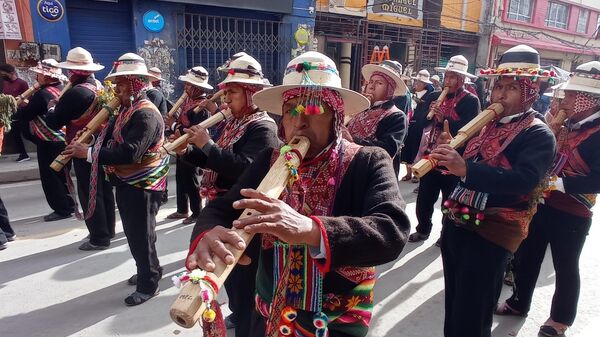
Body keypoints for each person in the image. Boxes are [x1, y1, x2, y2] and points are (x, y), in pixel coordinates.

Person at [185, 51, 410, 337]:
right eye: (291, 110)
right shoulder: (269, 159)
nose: (299, 122)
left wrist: (311, 229)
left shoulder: (368, 160)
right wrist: (206, 233)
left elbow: (391, 231)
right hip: (268, 310)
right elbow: (223, 208)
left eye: (314, 110)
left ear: (337, 118)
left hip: (336, 320)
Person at [430, 45, 556, 337]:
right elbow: (474, 162)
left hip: (492, 231)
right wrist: (456, 147)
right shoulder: (486, 124)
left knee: (475, 308)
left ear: (529, 91)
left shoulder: (538, 133)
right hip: (458, 221)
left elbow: (523, 180)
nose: (499, 94)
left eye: (511, 88)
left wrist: (466, 169)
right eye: (498, 86)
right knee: (456, 301)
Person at [496, 61, 600, 337]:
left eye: (569, 95)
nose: (563, 98)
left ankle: (560, 320)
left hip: (574, 210)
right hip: (541, 203)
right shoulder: (565, 123)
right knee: (526, 256)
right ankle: (519, 302)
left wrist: (561, 183)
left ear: (586, 100)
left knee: (565, 265)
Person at [181, 52, 279, 334]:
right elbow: (217, 160)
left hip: (241, 212)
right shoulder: (235, 122)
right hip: (222, 206)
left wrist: (208, 146)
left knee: (246, 274)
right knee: (231, 275)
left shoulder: (263, 127)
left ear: (250, 94)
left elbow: (244, 170)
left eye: (233, 93)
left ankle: (249, 318)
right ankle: (238, 311)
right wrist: (190, 151)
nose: (226, 100)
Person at [64, 53, 169, 305]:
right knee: (138, 235)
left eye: (121, 84)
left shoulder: (145, 114)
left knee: (141, 235)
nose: (116, 90)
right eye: (116, 84)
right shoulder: (125, 109)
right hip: (127, 182)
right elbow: (110, 138)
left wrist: (87, 152)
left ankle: (148, 284)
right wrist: (89, 139)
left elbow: (130, 153)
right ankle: (150, 269)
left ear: (135, 84)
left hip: (142, 184)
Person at [45, 47, 117, 242]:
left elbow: (53, 122)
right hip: (101, 144)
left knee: (89, 191)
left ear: (72, 72)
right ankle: (108, 230)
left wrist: (52, 108)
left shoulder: (76, 93)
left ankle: (99, 237)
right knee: (104, 190)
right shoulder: (100, 86)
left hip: (81, 146)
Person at [408, 55, 480, 244]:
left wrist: (445, 119)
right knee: (424, 199)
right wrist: (430, 115)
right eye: (447, 76)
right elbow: (419, 121)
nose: (448, 81)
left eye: (453, 77)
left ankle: (445, 234)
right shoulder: (433, 96)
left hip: (453, 159)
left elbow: (471, 130)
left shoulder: (471, 101)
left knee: (449, 201)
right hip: (431, 156)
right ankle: (423, 229)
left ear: (462, 79)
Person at [11, 60, 75, 219]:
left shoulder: (41, 94)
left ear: (46, 77)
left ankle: (62, 210)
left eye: (39, 74)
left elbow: (26, 115)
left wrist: (17, 105)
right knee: (63, 175)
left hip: (49, 141)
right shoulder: (62, 89)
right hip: (65, 139)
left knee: (50, 177)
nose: (36, 76)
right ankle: (70, 205)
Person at [165, 66, 213, 224]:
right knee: (180, 178)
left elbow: (193, 131)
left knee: (191, 179)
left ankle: (197, 211)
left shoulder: (202, 109)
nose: (186, 87)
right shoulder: (188, 101)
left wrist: (173, 126)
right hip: (180, 146)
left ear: (198, 88)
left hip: (192, 149)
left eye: (189, 85)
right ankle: (182, 209)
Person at [346, 60, 408, 177]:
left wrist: (352, 140)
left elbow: (387, 150)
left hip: (374, 176)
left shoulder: (396, 116)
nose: (372, 87)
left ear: (390, 89)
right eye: (371, 82)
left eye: (379, 83)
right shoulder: (360, 108)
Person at [401, 69, 435, 182]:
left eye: (419, 82)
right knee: (407, 147)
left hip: (420, 126)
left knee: (417, 148)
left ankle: (417, 173)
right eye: (415, 81)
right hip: (410, 124)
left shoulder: (429, 97)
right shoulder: (411, 94)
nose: (416, 84)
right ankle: (408, 173)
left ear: (425, 84)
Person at [0, 63, 30, 162]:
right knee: (15, 134)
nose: (3, 76)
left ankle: (43, 147)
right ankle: (23, 154)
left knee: (26, 134)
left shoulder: (22, 83)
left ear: (12, 72)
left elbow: (28, 98)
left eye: (5, 74)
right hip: (11, 113)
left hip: (22, 112)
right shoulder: (5, 83)